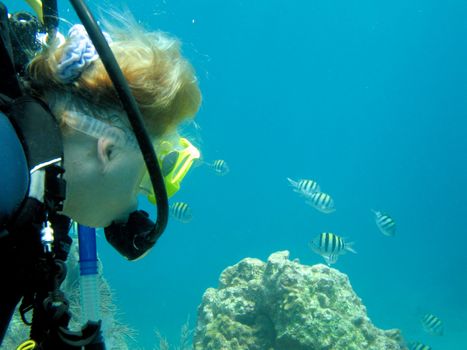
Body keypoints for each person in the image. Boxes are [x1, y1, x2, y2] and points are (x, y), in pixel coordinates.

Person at [0, 1, 201, 347]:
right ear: (107, 149)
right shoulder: (9, 179)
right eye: (142, 179)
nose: (136, 203)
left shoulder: (32, 196)